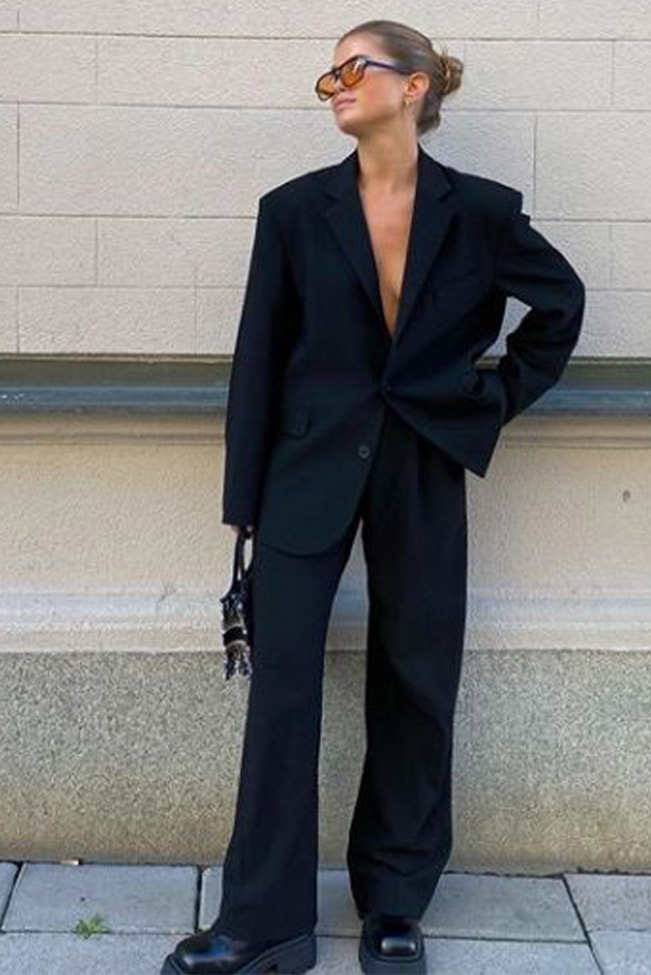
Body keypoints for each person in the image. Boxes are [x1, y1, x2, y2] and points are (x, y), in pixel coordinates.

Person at [161, 18, 585, 975]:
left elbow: (560, 304)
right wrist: (242, 496)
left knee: (415, 675)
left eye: (354, 68)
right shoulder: (292, 210)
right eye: (329, 75)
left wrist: (489, 401)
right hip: (303, 467)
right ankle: (263, 917)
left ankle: (395, 900)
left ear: (415, 85)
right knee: (282, 686)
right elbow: (259, 353)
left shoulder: (480, 212)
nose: (335, 86)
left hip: (424, 460)